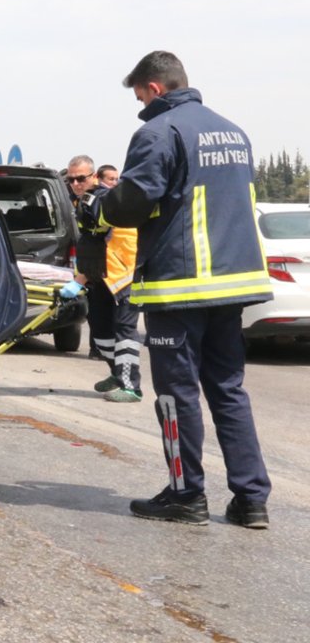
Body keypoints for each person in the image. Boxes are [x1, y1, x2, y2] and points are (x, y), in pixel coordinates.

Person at [101, 51, 272, 529]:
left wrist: (104, 207)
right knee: (228, 390)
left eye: (139, 97)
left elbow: (134, 201)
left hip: (179, 286)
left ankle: (186, 494)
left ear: (154, 88)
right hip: (232, 286)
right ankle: (251, 499)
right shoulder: (233, 131)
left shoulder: (159, 131)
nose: (139, 106)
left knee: (176, 396)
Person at [61, 155, 142, 403]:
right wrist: (80, 280)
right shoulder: (83, 201)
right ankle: (117, 374)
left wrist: (79, 281)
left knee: (125, 329)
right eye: (71, 179)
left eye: (80, 178)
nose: (75, 183)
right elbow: (90, 246)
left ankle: (131, 387)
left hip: (124, 274)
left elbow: (96, 235)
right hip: (103, 275)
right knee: (100, 329)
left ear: (93, 177)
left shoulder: (103, 200)